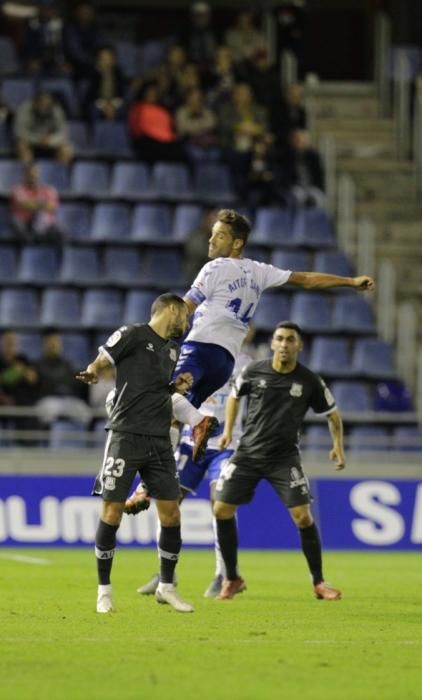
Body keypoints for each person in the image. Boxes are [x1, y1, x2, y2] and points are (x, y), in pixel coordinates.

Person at [176, 208, 375, 411]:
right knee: (183, 409)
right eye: (212, 235)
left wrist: (160, 332)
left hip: (201, 346)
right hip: (226, 360)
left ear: (237, 243)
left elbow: (186, 306)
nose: (211, 240)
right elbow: (306, 280)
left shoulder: (214, 267)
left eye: (219, 236)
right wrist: (350, 281)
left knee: (167, 399)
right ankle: (198, 424)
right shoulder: (259, 271)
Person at [76, 293, 195, 614]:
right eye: (184, 315)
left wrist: (176, 388)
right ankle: (104, 591)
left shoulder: (173, 349)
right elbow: (104, 358)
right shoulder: (132, 334)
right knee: (112, 511)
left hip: (159, 440)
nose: (186, 322)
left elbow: (154, 388)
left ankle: (166, 587)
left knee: (171, 513)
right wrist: (93, 369)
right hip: (125, 436)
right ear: (172, 309)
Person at [213, 321, 345, 600]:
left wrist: (337, 448)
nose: (284, 344)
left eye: (290, 340)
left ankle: (319, 582)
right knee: (221, 509)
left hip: (284, 459)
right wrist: (227, 430)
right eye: (280, 339)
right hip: (248, 454)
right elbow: (234, 396)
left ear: (299, 345)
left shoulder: (309, 380)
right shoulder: (253, 371)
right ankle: (233, 578)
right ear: (272, 343)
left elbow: (333, 415)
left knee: (303, 517)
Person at [135, 348, 251, 599]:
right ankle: (166, 572)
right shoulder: (195, 357)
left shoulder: (245, 364)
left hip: (226, 446)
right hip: (192, 443)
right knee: (167, 500)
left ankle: (224, 573)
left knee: (220, 504)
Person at [35, 329, 90, 428]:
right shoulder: (38, 365)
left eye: (56, 342)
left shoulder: (67, 364)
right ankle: (47, 439)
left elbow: (75, 380)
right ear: (44, 344)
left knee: (84, 411)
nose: (53, 345)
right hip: (49, 400)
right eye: (50, 342)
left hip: (67, 399)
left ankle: (80, 440)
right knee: (47, 410)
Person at [9, 162, 63, 243]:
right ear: (25, 175)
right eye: (30, 174)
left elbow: (53, 207)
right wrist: (42, 204)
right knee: (17, 226)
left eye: (35, 174)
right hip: (24, 223)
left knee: (60, 232)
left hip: (43, 224)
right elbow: (24, 205)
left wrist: (34, 204)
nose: (33, 177)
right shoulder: (18, 190)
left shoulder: (48, 189)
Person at [14, 91, 73, 165]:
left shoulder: (56, 110)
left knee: (66, 149)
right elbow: (20, 132)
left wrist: (50, 140)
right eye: (41, 104)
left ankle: (59, 173)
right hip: (31, 142)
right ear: (34, 103)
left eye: (47, 105)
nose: (44, 107)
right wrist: (38, 139)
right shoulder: (24, 109)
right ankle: (29, 173)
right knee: (21, 146)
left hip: (50, 143)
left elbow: (63, 133)